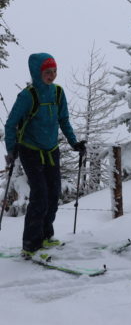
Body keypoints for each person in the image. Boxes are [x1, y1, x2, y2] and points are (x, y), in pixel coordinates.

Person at [4, 53, 86, 259]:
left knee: (53, 193)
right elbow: (10, 123)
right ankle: (30, 244)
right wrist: (11, 148)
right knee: (39, 195)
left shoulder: (58, 93)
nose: (52, 75)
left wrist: (73, 142)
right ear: (37, 73)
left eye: (54, 71)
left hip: (51, 150)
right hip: (30, 150)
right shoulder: (27, 96)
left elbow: (64, 120)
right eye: (47, 72)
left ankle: (46, 235)